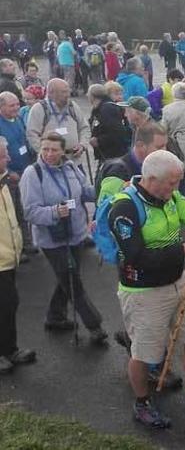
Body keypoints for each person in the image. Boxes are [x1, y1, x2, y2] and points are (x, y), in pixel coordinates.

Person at [109, 149, 185, 428]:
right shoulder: (124, 209)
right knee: (145, 353)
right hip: (144, 292)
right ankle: (141, 403)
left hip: (179, 282)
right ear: (151, 179)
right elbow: (137, 256)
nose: (177, 189)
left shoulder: (172, 197)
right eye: (172, 183)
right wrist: (184, 249)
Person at [21, 132, 106, 342]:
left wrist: (105, 191)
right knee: (73, 283)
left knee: (68, 276)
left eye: (54, 150)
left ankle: (54, 316)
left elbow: (84, 192)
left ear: (62, 151)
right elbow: (30, 212)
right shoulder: (33, 174)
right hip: (52, 240)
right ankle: (95, 326)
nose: (49, 154)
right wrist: (53, 212)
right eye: (45, 149)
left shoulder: (70, 168)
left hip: (76, 234)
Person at [0, 135, 35, 374]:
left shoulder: (4, 183)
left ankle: (10, 349)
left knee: (9, 305)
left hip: (8, 259)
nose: (9, 158)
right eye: (4, 155)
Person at [0, 92, 36, 256]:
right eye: (12, 105)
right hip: (9, 176)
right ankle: (17, 249)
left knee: (23, 210)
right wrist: (9, 172)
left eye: (17, 104)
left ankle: (27, 243)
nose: (17, 108)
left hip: (25, 171)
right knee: (12, 213)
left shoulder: (19, 119)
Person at [25, 78, 90, 170]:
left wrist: (83, 145)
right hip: (50, 165)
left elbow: (84, 127)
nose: (68, 95)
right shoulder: (39, 109)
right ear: (51, 93)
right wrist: (48, 154)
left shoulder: (72, 106)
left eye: (68, 91)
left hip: (74, 161)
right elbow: (32, 134)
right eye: (64, 92)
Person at [96, 122, 168, 204]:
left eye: (165, 146)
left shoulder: (152, 167)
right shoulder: (117, 171)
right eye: (159, 147)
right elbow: (108, 207)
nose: (164, 151)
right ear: (140, 145)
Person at [86, 83, 130, 161]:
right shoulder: (98, 109)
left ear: (92, 96)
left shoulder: (107, 109)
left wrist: (99, 140)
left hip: (114, 154)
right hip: (106, 154)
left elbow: (118, 132)